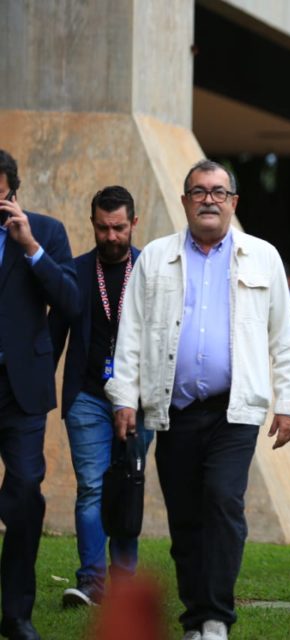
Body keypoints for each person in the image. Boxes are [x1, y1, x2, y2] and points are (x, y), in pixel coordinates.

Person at [105, 159, 290, 640]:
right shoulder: (154, 257)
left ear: (234, 202)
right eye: (198, 192)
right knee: (186, 517)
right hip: (171, 411)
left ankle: (216, 618)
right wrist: (124, 398)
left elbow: (283, 335)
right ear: (185, 202)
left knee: (222, 501)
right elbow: (129, 334)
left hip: (234, 409)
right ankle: (198, 616)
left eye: (218, 192)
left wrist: (288, 403)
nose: (209, 200)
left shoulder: (263, 257)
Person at [49, 186, 155, 608]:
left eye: (118, 227)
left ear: (133, 223)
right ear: (92, 224)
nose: (110, 236)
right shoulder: (74, 271)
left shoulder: (153, 270)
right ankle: (91, 583)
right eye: (102, 227)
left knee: (127, 486)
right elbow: (54, 336)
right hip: (88, 398)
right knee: (91, 487)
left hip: (141, 400)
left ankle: (125, 583)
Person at [0, 149, 80, 640]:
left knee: (25, 492)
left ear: (12, 190)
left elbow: (71, 301)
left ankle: (16, 613)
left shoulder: (45, 232)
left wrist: (30, 248)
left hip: (21, 391)